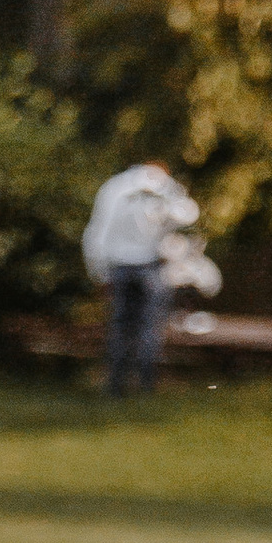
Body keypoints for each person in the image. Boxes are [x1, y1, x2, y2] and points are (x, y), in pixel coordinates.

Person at [82, 158, 201, 400]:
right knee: (149, 327)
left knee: (120, 327)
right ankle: (146, 385)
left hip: (119, 267)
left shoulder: (113, 187)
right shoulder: (165, 187)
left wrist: (97, 270)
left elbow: (97, 232)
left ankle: (116, 385)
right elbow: (188, 215)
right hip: (149, 267)